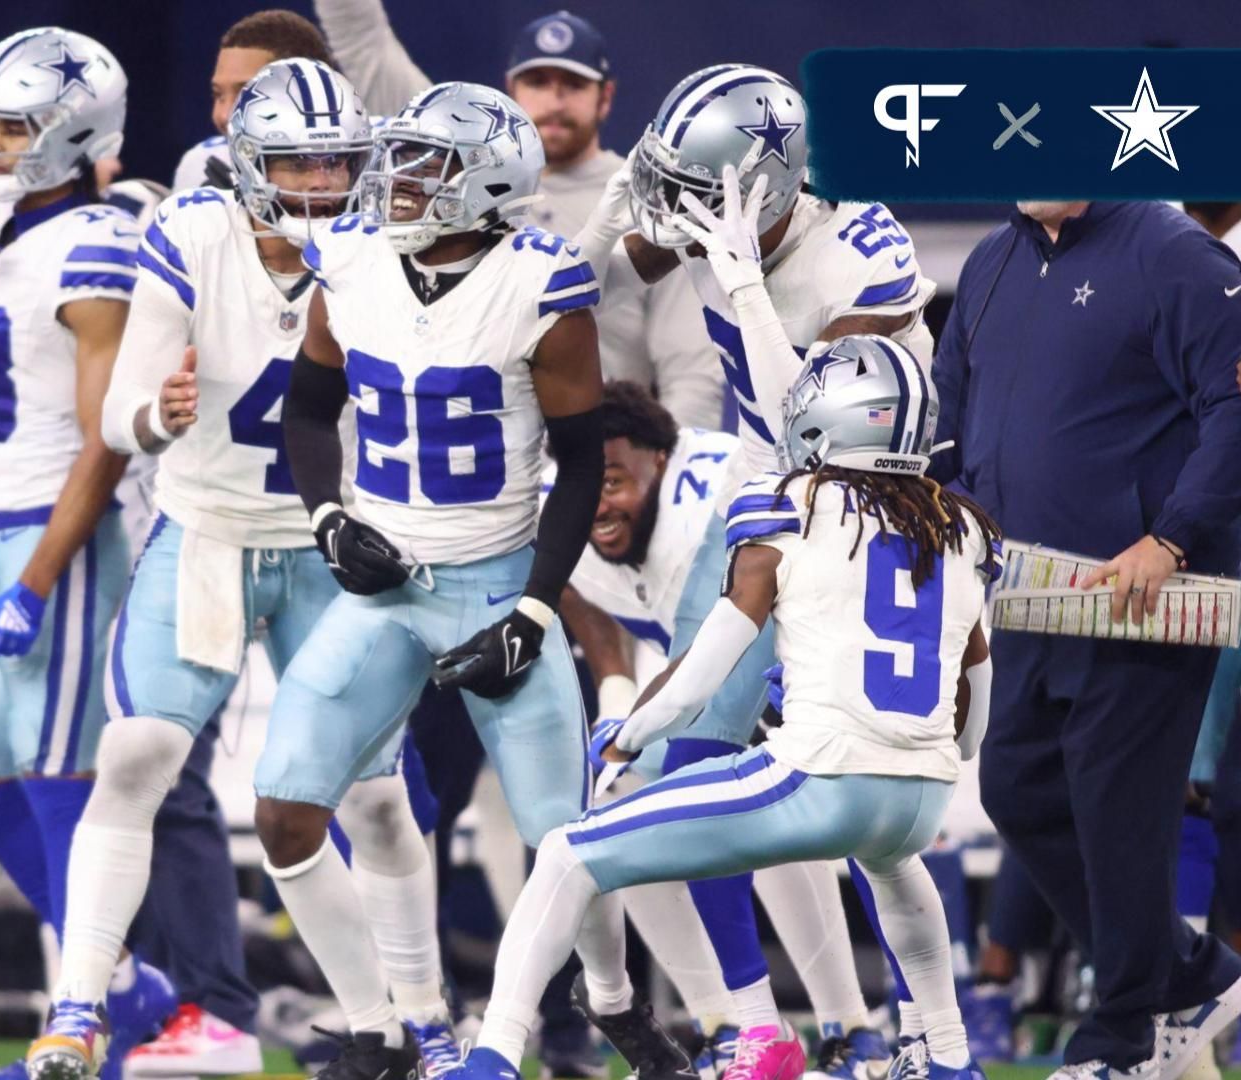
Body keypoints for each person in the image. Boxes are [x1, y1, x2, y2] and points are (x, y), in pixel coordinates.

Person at [261, 81, 692, 1080]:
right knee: (284, 809)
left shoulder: (539, 283)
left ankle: (615, 1002)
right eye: (400, 160)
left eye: (426, 166)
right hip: (381, 586)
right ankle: (380, 1029)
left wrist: (538, 607)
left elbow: (580, 461)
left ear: (487, 183)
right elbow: (309, 414)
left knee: (564, 846)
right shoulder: (354, 264)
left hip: (498, 577)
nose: (399, 182)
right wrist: (329, 518)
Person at [456, 334, 993, 1080]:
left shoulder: (786, 505)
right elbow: (971, 729)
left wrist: (628, 735)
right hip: (923, 795)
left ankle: (490, 1061)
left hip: (818, 780)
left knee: (566, 853)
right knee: (895, 865)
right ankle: (951, 1057)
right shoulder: (960, 528)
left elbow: (705, 674)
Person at [573, 62, 935, 1073]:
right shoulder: (696, 219)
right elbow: (585, 273)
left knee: (874, 797)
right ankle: (755, 1031)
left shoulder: (861, 250)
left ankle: (922, 1033)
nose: (670, 207)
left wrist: (737, 278)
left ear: (760, 188)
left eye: (690, 184)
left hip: (870, 517)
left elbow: (813, 428)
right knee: (684, 761)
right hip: (762, 499)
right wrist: (619, 199)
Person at [22, 57, 373, 1080]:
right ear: (250, 164)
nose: (319, 183)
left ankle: (404, 1024)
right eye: (296, 162)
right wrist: (156, 414)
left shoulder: (380, 242)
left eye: (335, 161)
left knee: (379, 800)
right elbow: (124, 412)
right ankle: (76, 1006)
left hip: (330, 541)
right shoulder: (192, 230)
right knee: (133, 758)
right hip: (212, 529)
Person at [0, 24, 175, 1074]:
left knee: (64, 778)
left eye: (15, 125)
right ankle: (120, 985)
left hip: (57, 540)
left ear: (74, 132)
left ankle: (85, 1019)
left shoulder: (93, 241)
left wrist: (37, 574)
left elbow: (101, 439)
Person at [931, 197, 1241, 1080]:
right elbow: (953, 417)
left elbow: (1235, 405)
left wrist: (1172, 536)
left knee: (1119, 810)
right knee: (1019, 789)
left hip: (1146, 590)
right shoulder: (991, 261)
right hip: (1028, 590)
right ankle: (1187, 972)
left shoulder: (1173, 251)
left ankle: (1124, 1034)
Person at [311, 0, 722, 430]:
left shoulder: (641, 200)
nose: (555, 99)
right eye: (538, 81)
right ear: (511, 90)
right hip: (456, 448)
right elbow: (363, 40)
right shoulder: (449, 172)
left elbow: (690, 370)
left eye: (573, 84)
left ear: (606, 97)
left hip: (596, 461)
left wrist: (659, 475)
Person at [169, 10, 336, 193]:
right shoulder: (199, 165)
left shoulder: (368, 167)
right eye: (218, 95)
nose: (224, 115)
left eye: (247, 95)